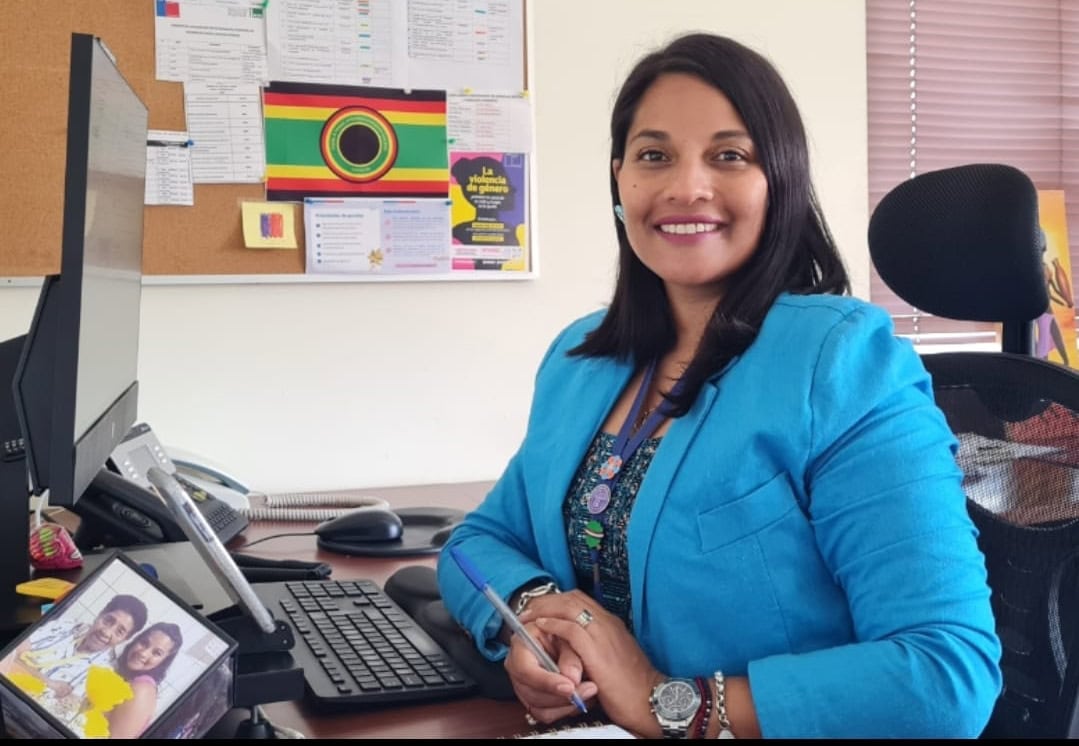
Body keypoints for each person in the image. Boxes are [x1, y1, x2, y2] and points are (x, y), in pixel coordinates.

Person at [436, 31, 1002, 739]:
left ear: (779, 182)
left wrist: (669, 703)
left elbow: (945, 676)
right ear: (619, 180)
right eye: (654, 156)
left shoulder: (838, 361)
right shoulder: (580, 361)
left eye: (728, 156)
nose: (685, 187)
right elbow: (476, 541)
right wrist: (542, 619)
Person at [0, 593, 148, 722]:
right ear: (100, 614)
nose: (106, 632)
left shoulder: (104, 674)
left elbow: (54, 708)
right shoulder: (67, 626)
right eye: (108, 621)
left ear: (124, 639)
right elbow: (12, 648)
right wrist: (48, 682)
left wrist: (19, 663)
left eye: (119, 632)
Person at [104, 621, 184, 739]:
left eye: (156, 653)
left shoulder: (142, 690)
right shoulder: (123, 674)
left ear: (163, 661)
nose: (143, 653)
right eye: (144, 643)